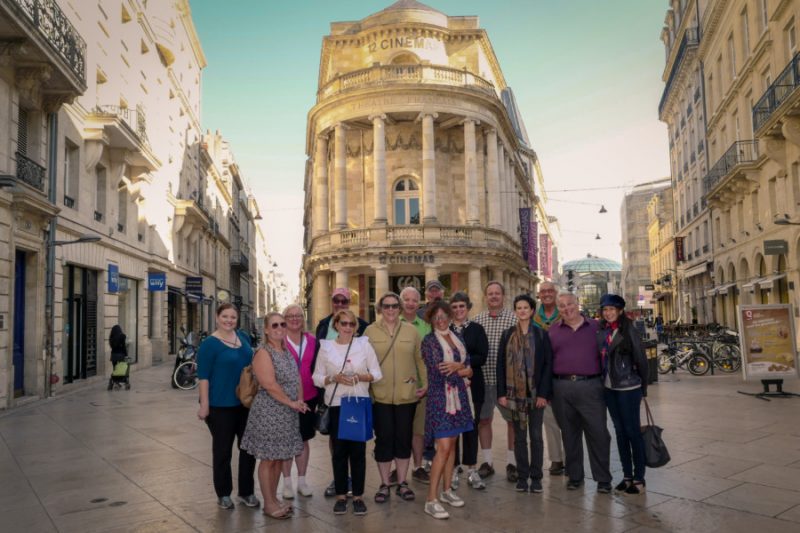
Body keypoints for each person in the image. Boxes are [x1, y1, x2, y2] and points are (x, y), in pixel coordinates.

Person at [313, 309, 383, 517]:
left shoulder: (364, 345)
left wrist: (361, 377)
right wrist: (333, 378)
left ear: (356, 327)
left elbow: (377, 374)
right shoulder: (326, 349)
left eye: (351, 324)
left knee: (358, 454)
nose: (347, 328)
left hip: (357, 403)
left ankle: (359, 496)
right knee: (339, 453)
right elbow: (316, 377)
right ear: (336, 325)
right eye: (343, 324)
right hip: (335, 405)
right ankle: (341, 496)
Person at [241, 313, 307, 520]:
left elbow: (297, 379)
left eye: (283, 324)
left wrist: (300, 400)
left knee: (279, 458)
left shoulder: (285, 351)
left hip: (286, 413)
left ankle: (275, 499)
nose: (280, 327)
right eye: (275, 325)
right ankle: (269, 504)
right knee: (269, 460)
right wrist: (291, 403)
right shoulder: (263, 352)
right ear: (267, 330)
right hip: (269, 413)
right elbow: (269, 384)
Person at [365, 292, 427, 503]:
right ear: (380, 309)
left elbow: (420, 359)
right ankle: (384, 483)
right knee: (383, 440)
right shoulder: (370, 331)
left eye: (394, 306)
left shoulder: (411, 330)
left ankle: (402, 482)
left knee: (403, 439)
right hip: (380, 396)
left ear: (399, 309)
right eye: (386, 306)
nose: (390, 310)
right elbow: (364, 361)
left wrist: (424, 383)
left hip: (406, 396)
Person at [548, 292, 613, 493]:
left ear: (578, 304)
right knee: (569, 434)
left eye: (570, 304)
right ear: (558, 309)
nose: (567, 309)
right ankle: (575, 476)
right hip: (562, 388)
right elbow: (546, 362)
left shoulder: (596, 327)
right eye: (562, 306)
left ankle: (603, 479)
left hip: (591, 387)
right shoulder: (552, 331)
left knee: (599, 434)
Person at [196, 303, 258, 510]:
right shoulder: (209, 345)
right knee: (223, 451)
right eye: (225, 316)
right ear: (217, 317)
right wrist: (204, 405)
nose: (229, 320)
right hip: (219, 405)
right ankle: (223, 493)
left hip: (245, 403)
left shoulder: (243, 338)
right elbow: (203, 377)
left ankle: (247, 491)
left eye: (233, 317)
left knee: (248, 448)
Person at [421, 301, 473, 520]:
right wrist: (461, 368)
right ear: (431, 320)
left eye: (444, 315)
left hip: (458, 397)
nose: (441, 319)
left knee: (452, 445)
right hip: (440, 398)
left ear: (450, 316)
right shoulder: (429, 341)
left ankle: (447, 490)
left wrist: (459, 367)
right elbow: (440, 369)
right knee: (443, 446)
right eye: (436, 316)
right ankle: (431, 500)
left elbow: (469, 368)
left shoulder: (458, 337)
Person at [314, 287, 368, 498]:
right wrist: (327, 382)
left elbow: (371, 365)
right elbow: (318, 364)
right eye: (336, 300)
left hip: (356, 395)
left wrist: (362, 379)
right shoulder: (323, 325)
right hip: (332, 393)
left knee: (355, 444)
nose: (339, 304)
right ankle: (340, 479)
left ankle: (355, 482)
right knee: (335, 441)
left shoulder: (362, 326)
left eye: (343, 301)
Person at [496, 294, 553, 493]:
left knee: (536, 437)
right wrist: (502, 393)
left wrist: (543, 394)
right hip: (514, 396)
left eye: (525, 308)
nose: (522, 311)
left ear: (531, 311)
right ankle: (522, 476)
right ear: (515, 311)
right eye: (518, 308)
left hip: (536, 395)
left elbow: (547, 366)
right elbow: (500, 365)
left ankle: (536, 477)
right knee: (519, 438)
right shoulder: (507, 335)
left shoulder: (541, 335)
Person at [597, 294, 649, 495]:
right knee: (619, 433)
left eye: (612, 309)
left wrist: (643, 388)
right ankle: (627, 476)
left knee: (632, 432)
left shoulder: (630, 331)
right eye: (605, 309)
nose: (608, 313)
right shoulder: (602, 331)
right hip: (610, 389)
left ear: (619, 311)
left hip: (628, 389)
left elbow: (642, 361)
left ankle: (639, 478)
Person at [473, 281, 517, 482]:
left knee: (512, 421)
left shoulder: (514, 319)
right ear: (485, 297)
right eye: (490, 293)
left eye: (497, 293)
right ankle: (488, 462)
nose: (493, 296)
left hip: (506, 382)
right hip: (483, 379)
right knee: (483, 420)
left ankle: (512, 463)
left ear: (503, 295)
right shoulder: (477, 321)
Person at [449, 292, 489, 490]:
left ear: (468, 308)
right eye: (454, 307)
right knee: (454, 428)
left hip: (473, 385)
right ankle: (455, 468)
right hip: (450, 387)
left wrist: (461, 364)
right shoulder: (445, 330)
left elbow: (482, 355)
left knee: (471, 427)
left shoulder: (477, 329)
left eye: (461, 306)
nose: (458, 310)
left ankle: (472, 469)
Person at [280, 304, 318, 499]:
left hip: (308, 397)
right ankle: (287, 483)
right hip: (284, 398)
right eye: (290, 316)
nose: (295, 319)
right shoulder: (279, 340)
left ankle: (302, 481)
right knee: (286, 440)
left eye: (298, 315)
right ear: (284, 319)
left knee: (303, 439)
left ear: (303, 319)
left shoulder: (312, 341)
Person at [400, 286, 433, 484]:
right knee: (400, 429)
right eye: (407, 299)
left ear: (419, 303)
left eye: (414, 300)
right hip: (399, 387)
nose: (411, 303)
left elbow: (429, 356)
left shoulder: (426, 326)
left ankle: (418, 466)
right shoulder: (393, 324)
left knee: (418, 431)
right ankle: (399, 466)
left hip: (421, 387)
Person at [533, 282, 566, 476]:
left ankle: (572, 458)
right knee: (549, 418)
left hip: (562, 370)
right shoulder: (534, 317)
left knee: (568, 419)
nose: (546, 294)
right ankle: (556, 459)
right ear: (539, 295)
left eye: (550, 291)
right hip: (542, 374)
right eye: (543, 291)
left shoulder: (563, 314)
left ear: (556, 293)